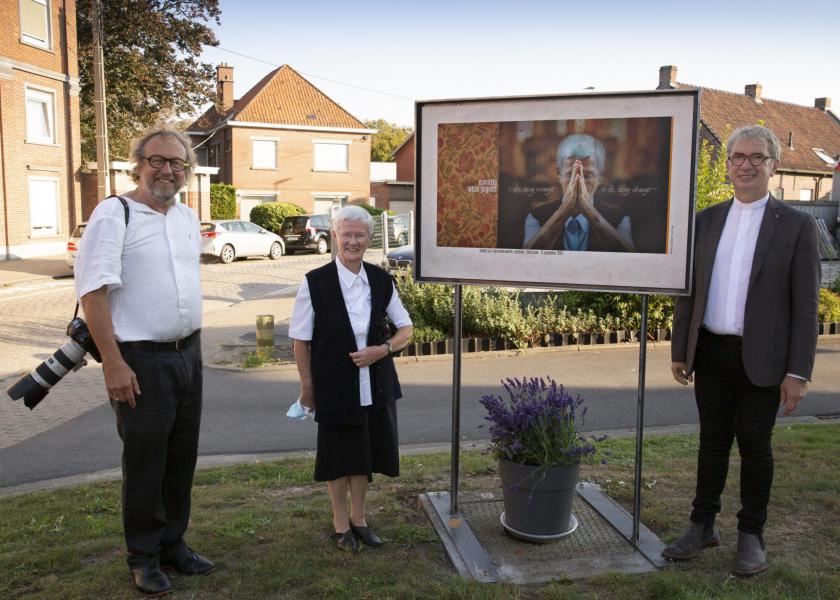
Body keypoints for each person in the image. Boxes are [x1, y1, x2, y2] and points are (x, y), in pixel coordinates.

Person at [666, 125, 820, 576]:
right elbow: (688, 292)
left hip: (766, 360)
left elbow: (806, 308)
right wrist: (680, 349)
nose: (746, 165)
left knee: (755, 446)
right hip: (711, 352)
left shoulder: (797, 226)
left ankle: (751, 534)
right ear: (728, 163)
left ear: (773, 165)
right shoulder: (706, 221)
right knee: (711, 444)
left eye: (757, 157)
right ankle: (702, 525)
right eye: (738, 157)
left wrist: (799, 371)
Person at [75, 127, 213, 595]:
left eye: (177, 164)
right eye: (158, 161)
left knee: (181, 460)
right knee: (145, 464)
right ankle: (143, 556)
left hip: (188, 357)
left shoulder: (187, 217)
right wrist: (113, 363)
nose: (168, 171)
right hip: (139, 360)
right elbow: (93, 294)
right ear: (137, 164)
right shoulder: (114, 215)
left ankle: (174, 544)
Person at [289, 205, 413, 553]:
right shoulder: (315, 282)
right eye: (347, 234)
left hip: (375, 382)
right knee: (337, 454)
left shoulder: (380, 279)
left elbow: (406, 329)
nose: (353, 241)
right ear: (335, 237)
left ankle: (359, 519)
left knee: (364, 453)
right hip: (333, 383)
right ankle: (340, 521)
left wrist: (382, 349)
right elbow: (301, 340)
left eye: (360, 235)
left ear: (369, 238)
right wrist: (307, 388)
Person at [523, 134, 635, 252]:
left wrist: (590, 213)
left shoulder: (620, 219)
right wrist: (564, 211)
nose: (578, 182)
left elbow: (630, 257)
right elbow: (526, 256)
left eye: (587, 175)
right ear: (558, 174)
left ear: (601, 176)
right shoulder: (535, 217)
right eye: (570, 174)